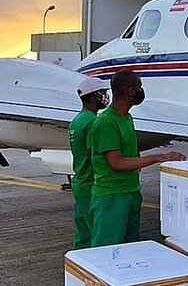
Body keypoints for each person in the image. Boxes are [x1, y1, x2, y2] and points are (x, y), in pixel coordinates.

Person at [88, 69, 186, 247]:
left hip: (130, 192)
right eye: (138, 86)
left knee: (130, 245)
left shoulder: (126, 118)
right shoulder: (106, 122)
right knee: (107, 249)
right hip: (112, 196)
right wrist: (159, 157)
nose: (141, 90)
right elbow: (116, 162)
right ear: (128, 90)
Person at [68, 77, 109, 249]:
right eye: (103, 93)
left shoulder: (76, 121)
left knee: (83, 232)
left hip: (80, 181)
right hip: (92, 183)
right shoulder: (93, 122)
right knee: (97, 234)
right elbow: (99, 155)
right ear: (92, 96)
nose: (106, 97)